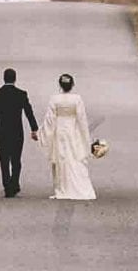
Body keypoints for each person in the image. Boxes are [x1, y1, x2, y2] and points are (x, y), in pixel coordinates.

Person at [38, 72, 96, 200]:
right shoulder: (77, 99)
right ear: (72, 85)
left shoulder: (55, 99)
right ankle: (77, 185)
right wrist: (85, 138)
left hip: (59, 130)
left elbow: (49, 119)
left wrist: (41, 133)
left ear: (60, 85)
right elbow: (81, 119)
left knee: (61, 158)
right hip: (72, 130)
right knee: (74, 156)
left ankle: (63, 186)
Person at [0, 67, 39, 197]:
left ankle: (6, 185)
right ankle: (14, 183)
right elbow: (28, 112)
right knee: (16, 160)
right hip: (16, 132)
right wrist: (34, 128)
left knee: (4, 160)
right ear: (15, 79)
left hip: (1, 132)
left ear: (4, 78)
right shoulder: (21, 94)